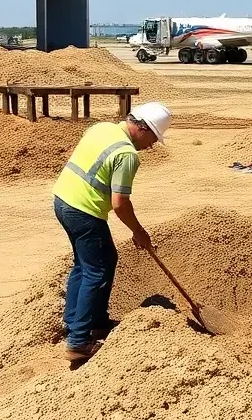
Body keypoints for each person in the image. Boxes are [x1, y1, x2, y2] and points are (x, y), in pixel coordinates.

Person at [51, 102, 172, 365]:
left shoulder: (103, 128)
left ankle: (86, 322)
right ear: (143, 129)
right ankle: (79, 341)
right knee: (97, 269)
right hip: (84, 210)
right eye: (154, 138)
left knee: (85, 265)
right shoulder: (128, 155)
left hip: (63, 200)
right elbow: (120, 203)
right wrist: (138, 231)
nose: (151, 145)